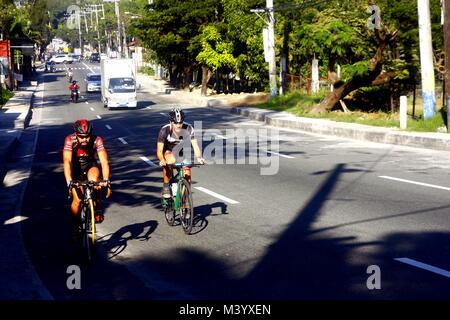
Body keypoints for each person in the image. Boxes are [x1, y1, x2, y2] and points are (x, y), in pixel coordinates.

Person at [63, 119, 111, 237]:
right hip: (75, 168)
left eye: (87, 136)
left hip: (90, 165)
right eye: (81, 137)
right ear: (76, 134)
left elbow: (104, 161)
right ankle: (75, 224)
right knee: (77, 200)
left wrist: (106, 180)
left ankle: (98, 208)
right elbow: (67, 161)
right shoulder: (70, 140)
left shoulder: (97, 140)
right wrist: (69, 181)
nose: (85, 139)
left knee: (96, 182)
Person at [157, 107, 205, 198]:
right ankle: (166, 186)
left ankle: (184, 198)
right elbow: (159, 150)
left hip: (182, 153)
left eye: (180, 122)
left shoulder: (189, 128)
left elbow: (195, 145)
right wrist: (162, 160)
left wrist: (199, 158)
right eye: (175, 123)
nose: (178, 125)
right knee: (170, 162)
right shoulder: (164, 130)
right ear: (171, 122)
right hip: (168, 151)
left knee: (187, 173)